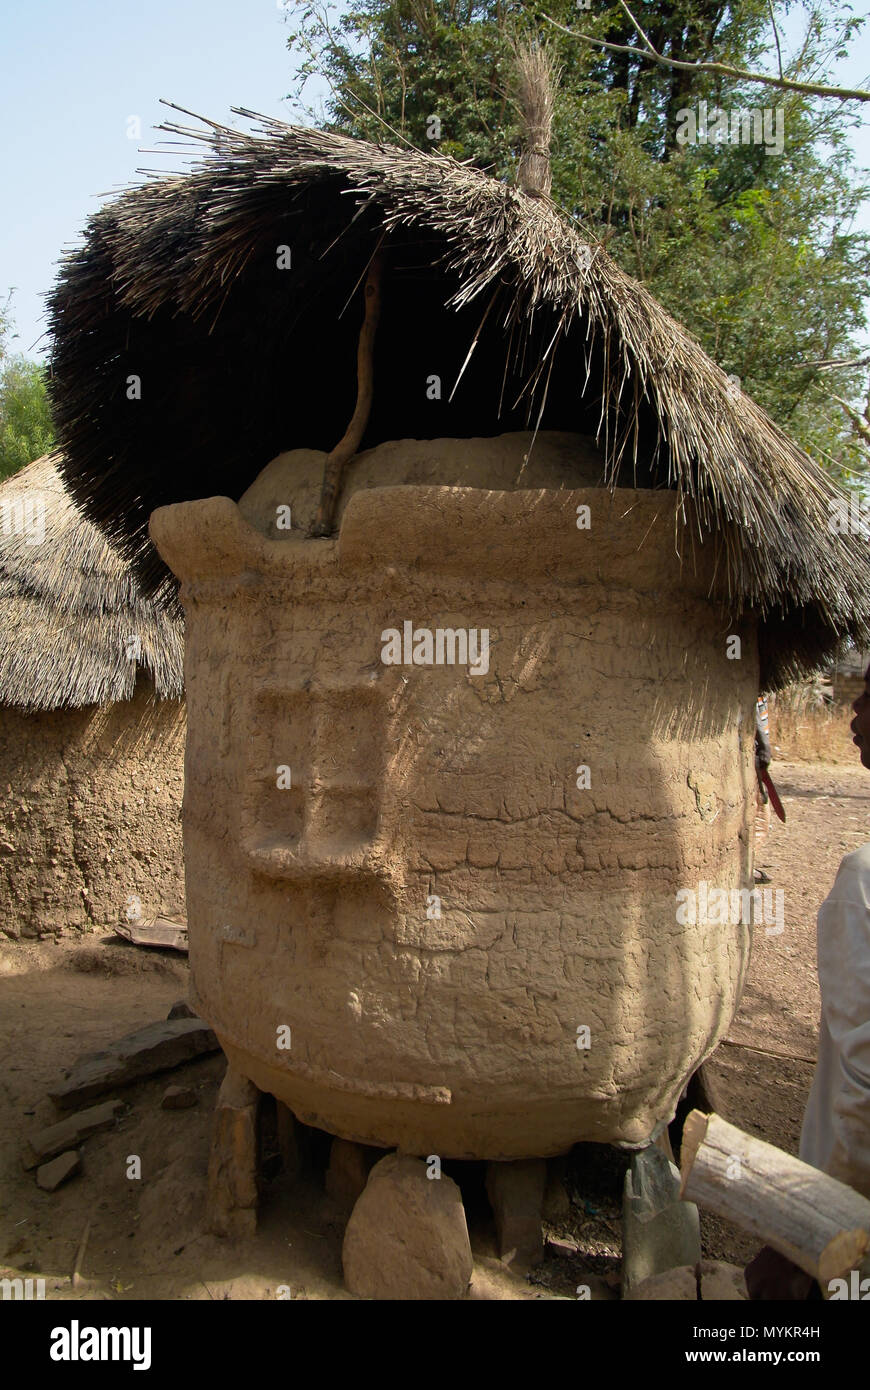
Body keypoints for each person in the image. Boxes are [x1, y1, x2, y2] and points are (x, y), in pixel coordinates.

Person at [745, 664, 870, 1298]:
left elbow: (861, 1088)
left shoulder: (862, 882)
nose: (854, 714)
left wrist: (815, 1235)